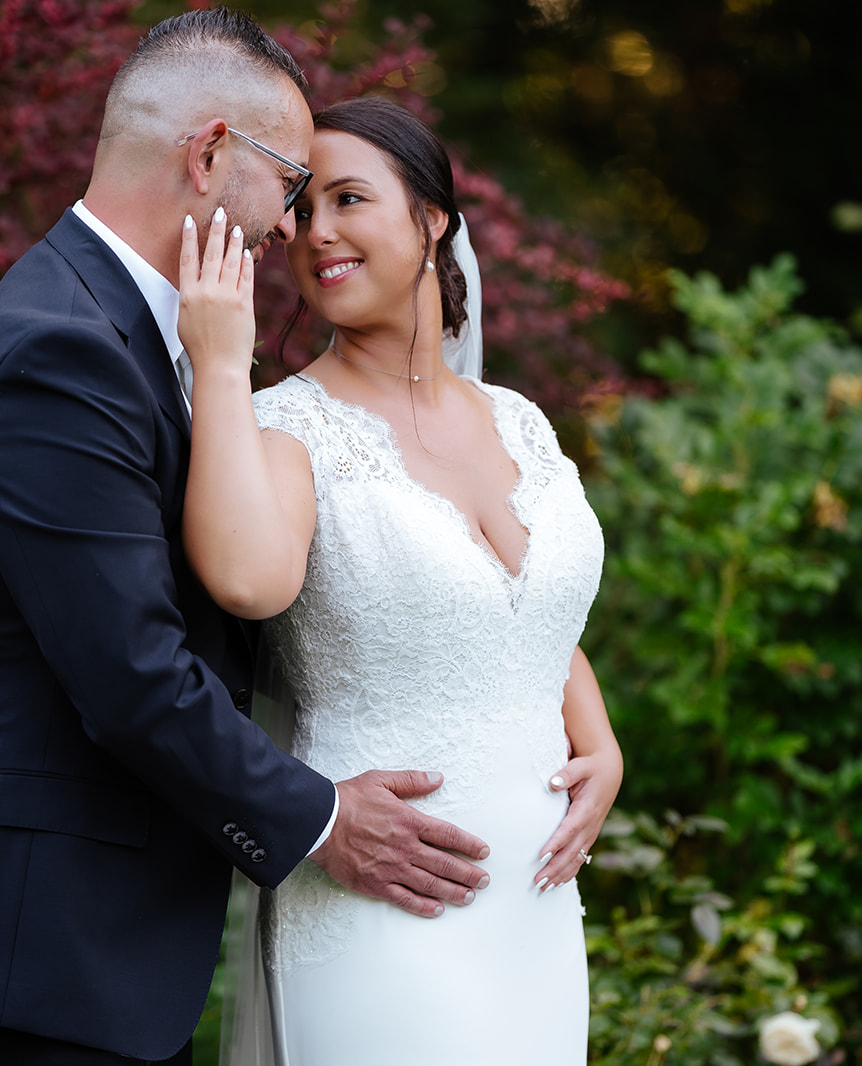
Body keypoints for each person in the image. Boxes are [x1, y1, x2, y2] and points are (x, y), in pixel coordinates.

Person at [0, 12, 494, 1066]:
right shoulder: (61, 351)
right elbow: (131, 673)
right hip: (40, 932)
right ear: (208, 155)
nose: (292, 230)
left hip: (76, 930)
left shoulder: (135, 329)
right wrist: (324, 820)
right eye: (289, 186)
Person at [177, 96, 624, 1063]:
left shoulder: (521, 423)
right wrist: (219, 361)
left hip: (537, 913)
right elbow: (249, 583)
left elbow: (523, 611)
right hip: (381, 903)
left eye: (348, 198)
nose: (317, 232)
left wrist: (601, 741)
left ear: (433, 223)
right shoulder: (288, 431)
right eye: (301, 210)